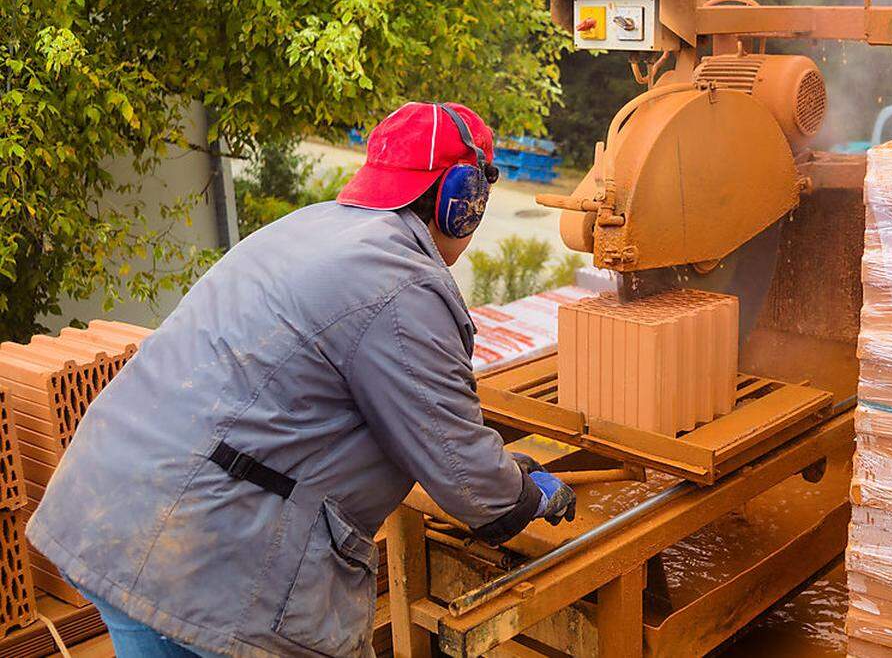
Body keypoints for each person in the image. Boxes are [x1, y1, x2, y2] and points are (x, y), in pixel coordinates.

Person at [26, 102, 577, 657]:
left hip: (116, 514)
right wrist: (524, 498)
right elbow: (465, 476)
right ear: (464, 199)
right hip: (205, 557)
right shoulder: (402, 282)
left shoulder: (312, 227)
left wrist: (501, 471)